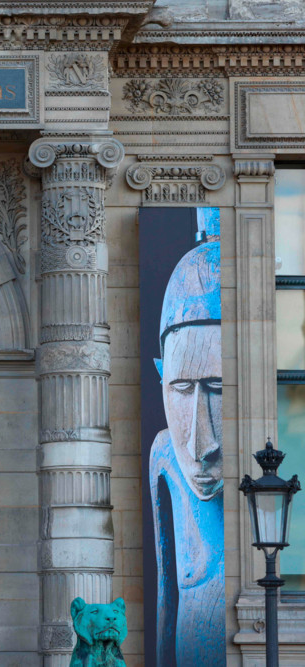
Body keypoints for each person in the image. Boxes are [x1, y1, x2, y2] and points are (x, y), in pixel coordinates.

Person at [149, 209, 224, 666]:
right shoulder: (164, 455)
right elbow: (167, 596)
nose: (201, 443)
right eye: (181, 388)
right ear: (161, 376)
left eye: (218, 388)